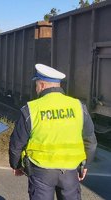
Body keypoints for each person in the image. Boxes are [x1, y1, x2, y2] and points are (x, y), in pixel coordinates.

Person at [9, 64, 97, 200]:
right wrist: (86, 164)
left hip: (41, 170)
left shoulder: (31, 109)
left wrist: (16, 165)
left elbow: (16, 143)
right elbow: (90, 141)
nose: (36, 88)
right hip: (70, 170)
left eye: (36, 84)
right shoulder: (79, 106)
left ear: (42, 85)